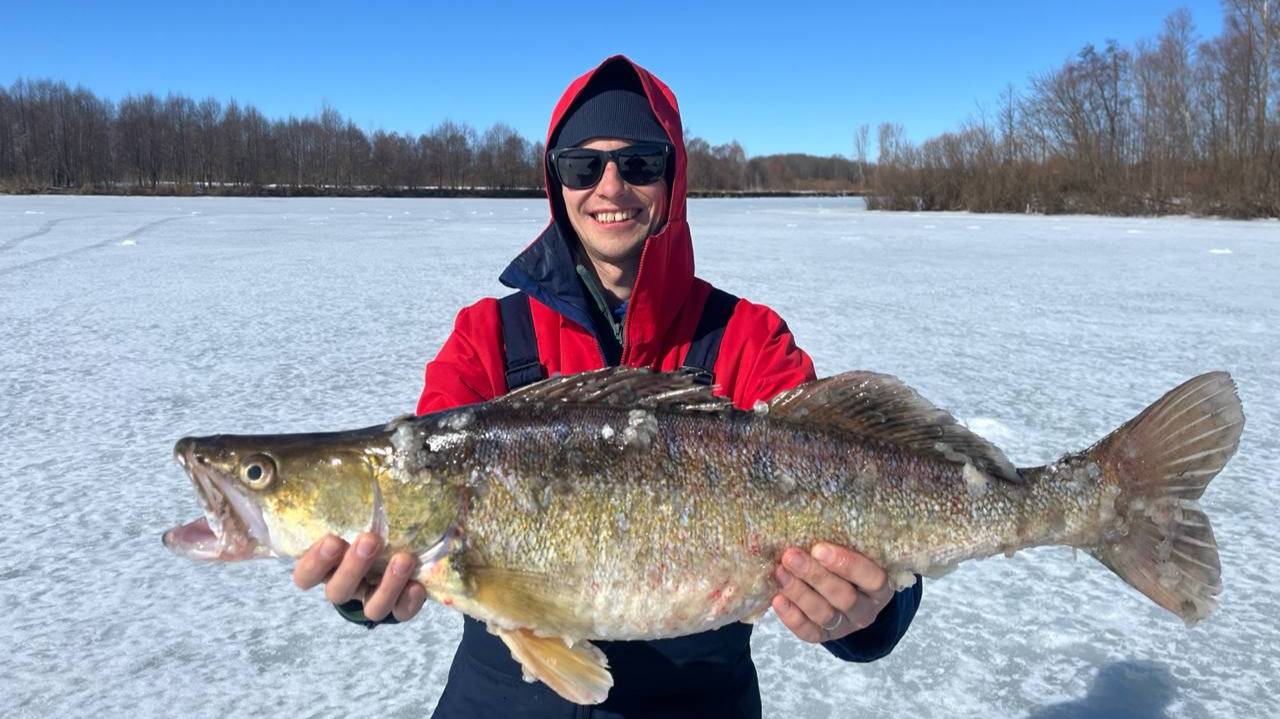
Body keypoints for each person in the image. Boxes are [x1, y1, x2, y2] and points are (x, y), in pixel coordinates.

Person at [292, 55, 922, 717]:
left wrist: (872, 611)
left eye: (640, 163)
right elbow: (417, 516)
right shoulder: (486, 337)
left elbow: (867, 485)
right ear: (555, 181)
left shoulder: (745, 337)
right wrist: (367, 592)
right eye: (583, 166)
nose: (611, 187)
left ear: (672, 175)